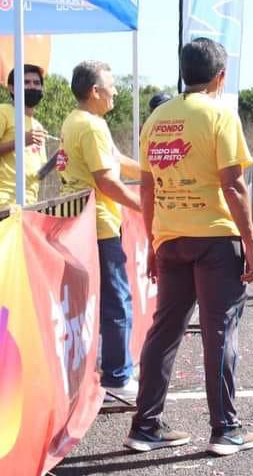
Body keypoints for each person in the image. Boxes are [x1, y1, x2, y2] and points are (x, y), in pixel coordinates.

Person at [124, 37, 253, 456]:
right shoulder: (219, 115)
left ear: (184, 73)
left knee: (164, 331)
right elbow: (234, 186)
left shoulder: (157, 119)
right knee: (219, 331)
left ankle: (145, 426)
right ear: (221, 76)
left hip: (170, 239)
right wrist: (251, 244)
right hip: (216, 239)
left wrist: (153, 242)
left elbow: (146, 189)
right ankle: (226, 429)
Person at [57, 60, 142, 401]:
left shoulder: (78, 120)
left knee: (103, 299)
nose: (116, 91)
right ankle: (117, 377)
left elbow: (117, 160)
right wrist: (146, 206)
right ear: (95, 91)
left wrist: (154, 175)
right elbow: (107, 181)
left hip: (81, 223)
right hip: (99, 225)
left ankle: (113, 367)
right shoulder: (91, 126)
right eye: (111, 85)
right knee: (116, 300)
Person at [0, 64, 49, 205]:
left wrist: (56, 162)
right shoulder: (4, 111)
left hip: (30, 203)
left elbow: (38, 173)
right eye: (26, 82)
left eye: (37, 83)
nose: (32, 86)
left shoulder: (38, 126)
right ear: (12, 88)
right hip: (4, 201)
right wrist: (21, 141)